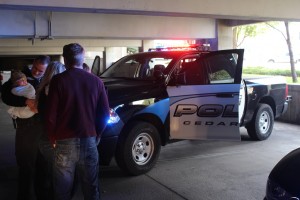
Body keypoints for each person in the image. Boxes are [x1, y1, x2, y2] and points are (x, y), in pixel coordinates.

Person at [45, 43, 110, 200]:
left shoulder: (58, 81)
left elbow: (50, 114)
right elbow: (105, 114)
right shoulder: (96, 81)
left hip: (64, 142)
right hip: (89, 140)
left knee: (62, 190)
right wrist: (98, 134)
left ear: (65, 60)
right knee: (91, 188)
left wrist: (52, 137)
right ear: (83, 58)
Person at [1, 55, 50, 200]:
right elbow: (5, 96)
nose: (36, 72)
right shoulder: (19, 77)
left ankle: (42, 194)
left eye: (41, 71)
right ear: (33, 63)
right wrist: (25, 101)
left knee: (43, 164)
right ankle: (24, 196)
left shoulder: (49, 79)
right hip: (26, 127)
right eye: (35, 68)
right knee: (26, 164)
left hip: (43, 127)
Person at [35, 61, 66, 200]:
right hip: (56, 137)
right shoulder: (60, 91)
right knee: (59, 173)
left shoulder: (41, 90)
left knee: (44, 171)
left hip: (43, 135)